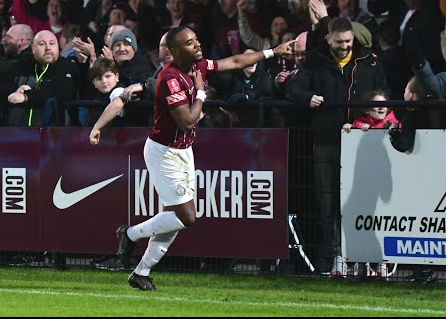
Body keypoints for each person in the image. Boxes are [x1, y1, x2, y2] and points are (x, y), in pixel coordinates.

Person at [89, 26, 295, 291]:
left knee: (172, 217)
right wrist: (200, 92)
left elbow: (233, 61)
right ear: (175, 51)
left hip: (183, 151)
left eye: (196, 39)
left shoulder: (197, 65)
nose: (197, 45)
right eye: (189, 42)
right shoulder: (169, 79)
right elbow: (187, 121)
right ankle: (129, 234)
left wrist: (271, 51)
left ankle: (141, 272)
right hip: (164, 153)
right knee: (187, 216)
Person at [289, 17, 389, 278]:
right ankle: (335, 258)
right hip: (326, 143)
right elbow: (294, 89)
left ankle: (365, 257)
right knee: (327, 205)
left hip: (363, 143)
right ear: (328, 39)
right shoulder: (314, 61)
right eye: (339, 42)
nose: (345, 46)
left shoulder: (370, 60)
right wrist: (307, 97)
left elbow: (385, 93)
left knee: (363, 204)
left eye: (348, 41)